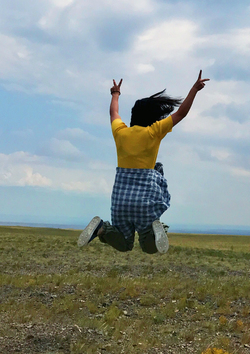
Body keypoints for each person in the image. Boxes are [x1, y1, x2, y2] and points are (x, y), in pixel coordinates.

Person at [77, 70, 209, 254]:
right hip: (145, 201)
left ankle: (101, 229)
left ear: (133, 115)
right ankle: (156, 230)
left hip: (120, 200)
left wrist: (115, 94)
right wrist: (194, 89)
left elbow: (113, 112)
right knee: (149, 247)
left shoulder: (120, 132)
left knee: (124, 244)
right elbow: (181, 114)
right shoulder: (154, 132)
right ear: (153, 117)